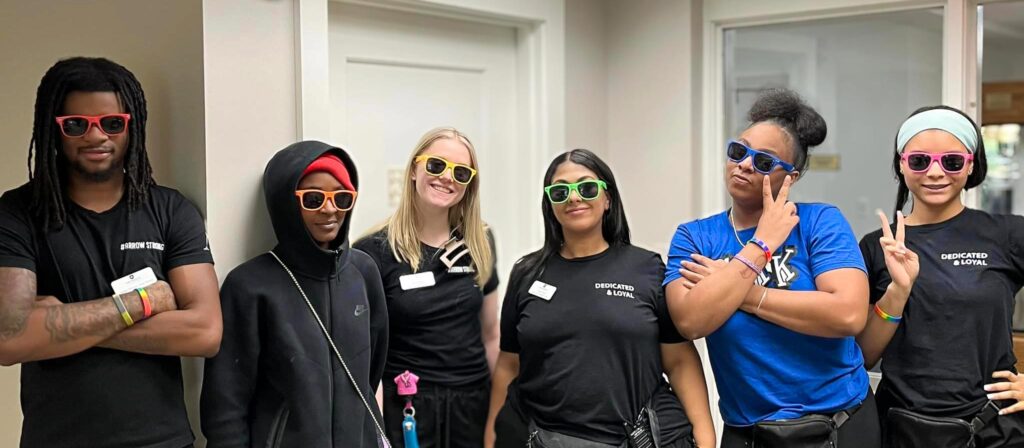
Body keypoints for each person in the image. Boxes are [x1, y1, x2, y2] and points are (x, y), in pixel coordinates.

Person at [0, 56, 221, 448]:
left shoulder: (171, 211)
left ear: (130, 126)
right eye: (76, 125)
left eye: (112, 123)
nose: (96, 136)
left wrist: (60, 323)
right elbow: (9, 338)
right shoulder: (17, 213)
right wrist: (140, 303)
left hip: (163, 442)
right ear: (55, 130)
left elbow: (204, 332)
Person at [664, 88, 879, 447]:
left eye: (764, 162)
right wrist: (761, 246)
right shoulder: (695, 237)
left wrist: (737, 290)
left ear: (789, 177)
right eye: (738, 152)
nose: (745, 164)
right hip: (748, 433)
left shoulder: (819, 222)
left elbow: (847, 315)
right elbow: (690, 321)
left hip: (839, 425)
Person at [487, 149, 715, 448]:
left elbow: (679, 361)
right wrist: (491, 438)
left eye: (587, 187)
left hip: (631, 439)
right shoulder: (527, 273)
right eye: (560, 191)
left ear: (607, 199)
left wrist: (706, 437)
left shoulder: (646, 268)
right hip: (547, 439)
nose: (574, 197)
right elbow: (509, 364)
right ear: (550, 205)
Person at [201, 142, 389, 447]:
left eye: (341, 198)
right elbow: (226, 407)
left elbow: (372, 370)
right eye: (313, 199)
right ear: (286, 202)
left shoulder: (363, 272)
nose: (330, 210)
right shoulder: (249, 285)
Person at [859, 105, 1024, 447]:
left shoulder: (1007, 234)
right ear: (902, 165)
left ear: (971, 165)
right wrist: (898, 291)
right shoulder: (879, 246)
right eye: (920, 161)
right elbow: (864, 356)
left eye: (951, 161)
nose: (935, 173)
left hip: (994, 430)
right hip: (903, 430)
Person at [354, 127, 498, 448]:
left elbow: (490, 334)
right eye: (436, 165)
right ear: (414, 170)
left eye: (461, 173)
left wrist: (496, 418)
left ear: (468, 186)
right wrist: (376, 433)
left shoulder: (480, 242)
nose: (448, 177)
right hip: (406, 408)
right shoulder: (372, 252)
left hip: (471, 405)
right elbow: (367, 357)